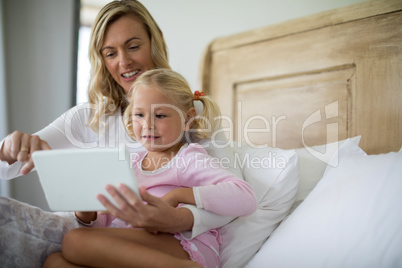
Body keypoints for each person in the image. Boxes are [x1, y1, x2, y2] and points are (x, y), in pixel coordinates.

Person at [0, 1, 240, 267]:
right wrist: (8, 148)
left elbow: (236, 198)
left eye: (133, 46)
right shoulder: (88, 117)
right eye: (110, 53)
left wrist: (179, 216)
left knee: (74, 243)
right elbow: (10, 168)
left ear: (154, 44)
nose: (124, 61)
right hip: (115, 236)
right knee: (55, 262)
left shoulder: (189, 113)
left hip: (170, 239)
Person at [44, 69, 257, 268]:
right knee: (54, 262)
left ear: (188, 119)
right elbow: (110, 221)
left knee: (74, 241)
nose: (148, 124)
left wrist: (178, 195)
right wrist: (86, 212)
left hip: (180, 245)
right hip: (137, 244)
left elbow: (245, 197)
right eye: (139, 115)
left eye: (160, 115)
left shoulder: (187, 158)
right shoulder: (130, 163)